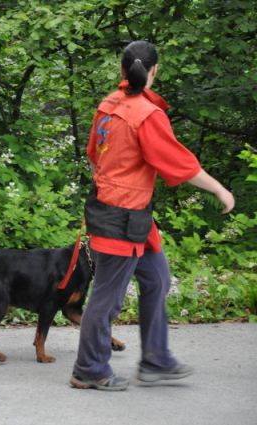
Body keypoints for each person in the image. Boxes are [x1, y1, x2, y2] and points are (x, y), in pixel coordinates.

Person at [69, 40, 235, 391]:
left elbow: (93, 154)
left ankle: (156, 361)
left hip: (126, 213)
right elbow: (178, 163)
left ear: (122, 69)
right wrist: (219, 189)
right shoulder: (145, 115)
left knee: (157, 279)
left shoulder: (108, 105)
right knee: (107, 297)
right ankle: (89, 369)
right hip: (120, 217)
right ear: (155, 71)